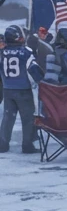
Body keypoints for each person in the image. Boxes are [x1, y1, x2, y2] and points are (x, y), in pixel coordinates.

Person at [1, 25, 43, 153]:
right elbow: (34, 69)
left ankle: (2, 144)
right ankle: (27, 145)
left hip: (7, 89)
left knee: (7, 118)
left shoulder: (2, 53)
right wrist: (42, 80)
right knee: (28, 119)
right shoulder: (26, 52)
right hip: (23, 90)